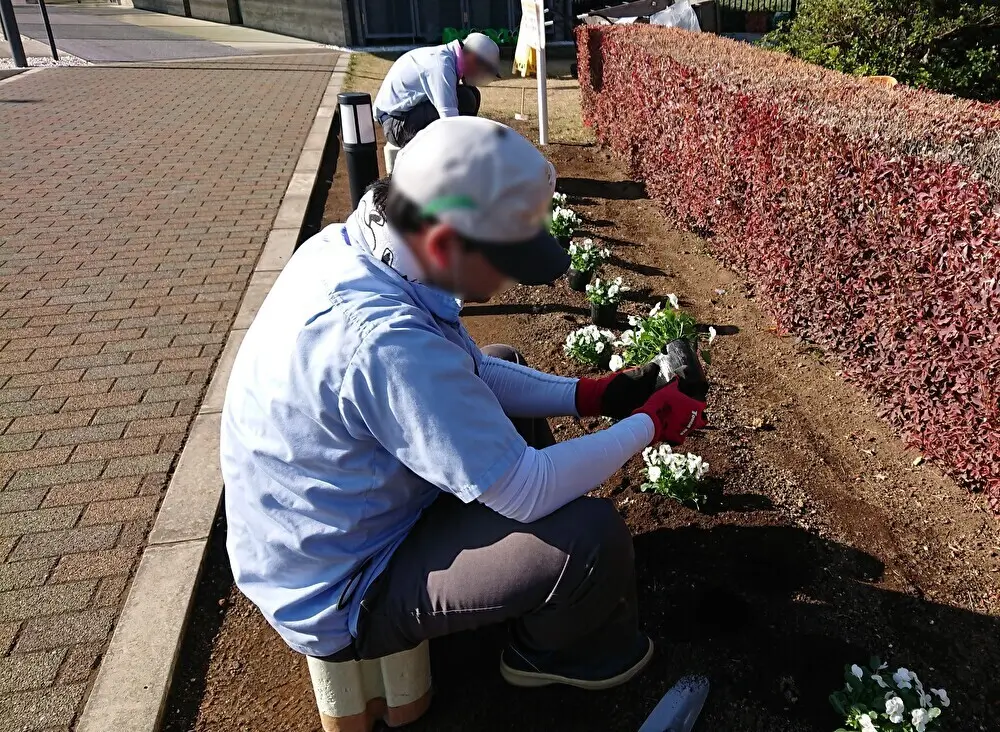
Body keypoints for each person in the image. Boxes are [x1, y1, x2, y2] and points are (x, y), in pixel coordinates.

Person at [220, 117, 708, 691]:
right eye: (506, 260)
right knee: (590, 539)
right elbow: (529, 492)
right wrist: (650, 425)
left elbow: (470, 370)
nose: (514, 281)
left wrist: (593, 395)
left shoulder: (359, 247)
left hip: (322, 529)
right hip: (343, 588)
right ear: (446, 242)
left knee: (503, 360)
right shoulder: (383, 341)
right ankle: (553, 656)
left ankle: (508, 570)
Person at [374, 32, 502, 148]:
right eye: (483, 70)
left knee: (472, 94)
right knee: (465, 98)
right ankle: (446, 155)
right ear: (473, 58)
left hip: (402, 118)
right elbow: (450, 120)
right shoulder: (441, 65)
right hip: (395, 126)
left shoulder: (446, 58)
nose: (481, 75)